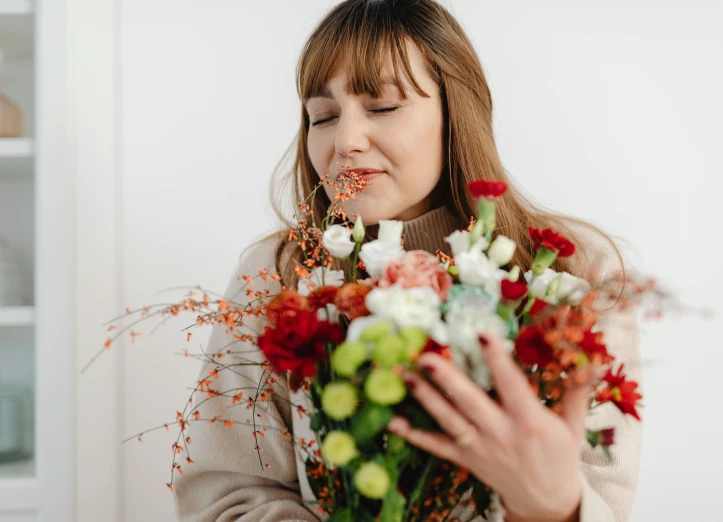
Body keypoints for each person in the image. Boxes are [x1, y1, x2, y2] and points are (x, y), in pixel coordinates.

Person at [174, 1, 642, 521]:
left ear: (456, 112)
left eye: (383, 107)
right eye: (323, 117)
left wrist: (556, 505)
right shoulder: (277, 275)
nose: (344, 142)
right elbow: (224, 497)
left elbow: (607, 498)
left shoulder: (574, 275)